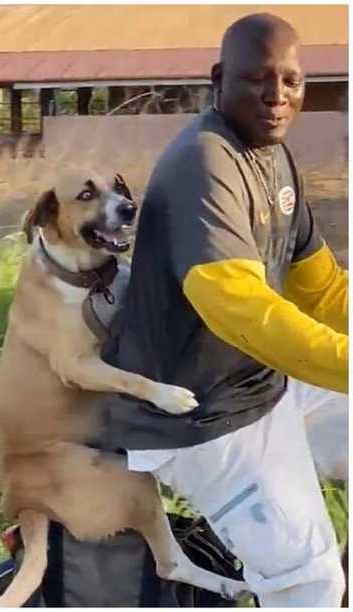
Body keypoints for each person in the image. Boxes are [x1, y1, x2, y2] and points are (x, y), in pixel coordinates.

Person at [99, 14, 348, 606]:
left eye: (291, 80)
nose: (277, 96)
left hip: (260, 387)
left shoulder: (273, 159)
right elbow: (244, 313)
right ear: (219, 78)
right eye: (259, 78)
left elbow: (323, 291)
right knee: (310, 585)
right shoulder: (204, 163)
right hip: (200, 416)